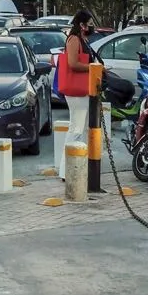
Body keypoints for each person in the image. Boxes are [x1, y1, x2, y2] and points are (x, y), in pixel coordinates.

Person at [55, 10, 96, 174]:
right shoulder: (74, 40)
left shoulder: (83, 39)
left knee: (83, 128)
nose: (92, 27)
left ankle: (77, 167)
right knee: (76, 128)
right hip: (76, 91)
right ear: (82, 24)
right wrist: (92, 67)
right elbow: (73, 63)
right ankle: (67, 170)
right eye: (90, 24)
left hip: (84, 89)